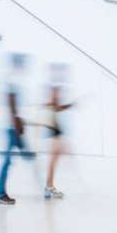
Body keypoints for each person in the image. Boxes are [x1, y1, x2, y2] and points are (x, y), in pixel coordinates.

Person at [0, 54, 34, 205]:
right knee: (8, 161)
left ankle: (43, 184)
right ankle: (0, 194)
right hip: (11, 128)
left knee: (24, 157)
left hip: (13, 126)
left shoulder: (13, 80)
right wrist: (17, 124)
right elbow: (12, 106)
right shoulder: (11, 80)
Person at [43, 65, 74, 200]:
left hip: (55, 127)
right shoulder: (54, 88)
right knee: (54, 157)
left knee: (55, 157)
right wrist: (69, 106)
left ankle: (49, 186)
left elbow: (54, 107)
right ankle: (49, 187)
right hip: (54, 127)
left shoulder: (54, 88)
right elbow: (54, 107)